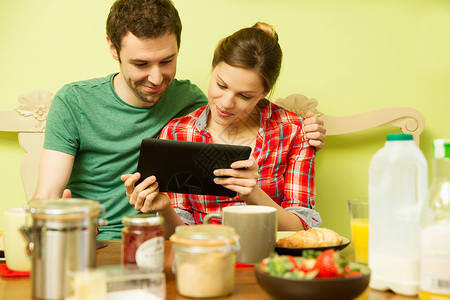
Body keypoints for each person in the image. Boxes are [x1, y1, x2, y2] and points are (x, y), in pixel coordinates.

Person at [34, 0, 325, 240]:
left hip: (164, 244)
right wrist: (59, 217)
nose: (157, 78)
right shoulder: (75, 102)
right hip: (95, 240)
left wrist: (307, 130)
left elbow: (304, 224)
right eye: (140, 63)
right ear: (114, 49)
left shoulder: (191, 101)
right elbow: (46, 196)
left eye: (167, 60)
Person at [123, 22, 322, 238]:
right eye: (221, 85)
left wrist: (253, 194)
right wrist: (164, 208)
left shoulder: (294, 131)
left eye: (245, 96)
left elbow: (302, 229)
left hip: (269, 257)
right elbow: (179, 236)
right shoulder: (178, 132)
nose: (227, 103)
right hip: (204, 255)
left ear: (264, 93)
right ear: (213, 68)